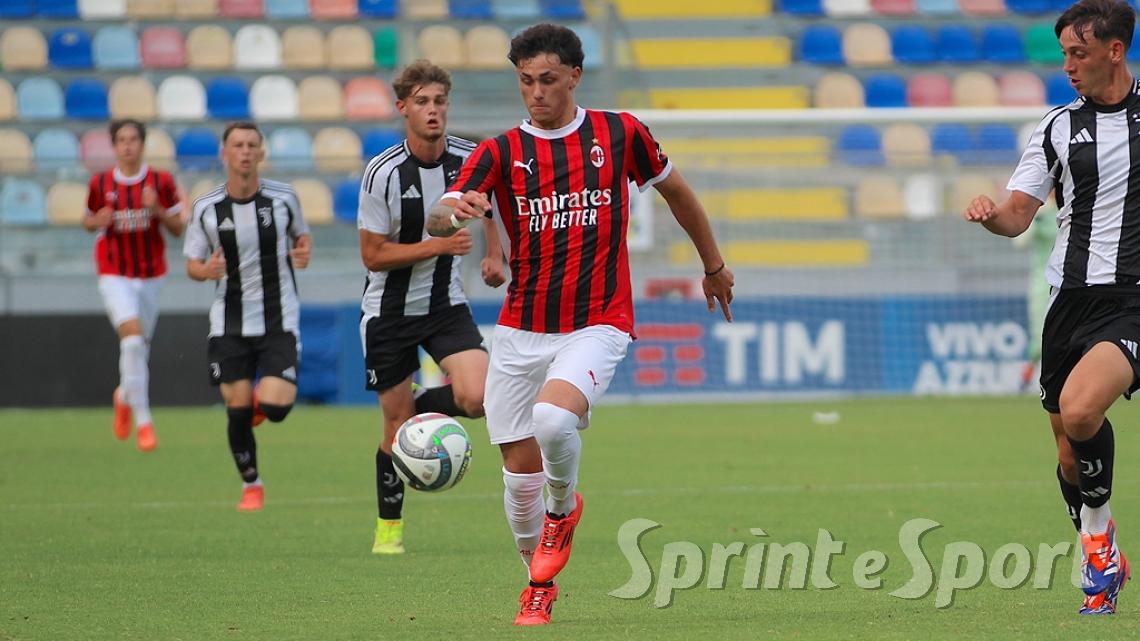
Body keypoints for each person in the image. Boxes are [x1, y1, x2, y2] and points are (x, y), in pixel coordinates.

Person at [427, 24, 735, 625]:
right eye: (525, 81)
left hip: (598, 320)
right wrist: (452, 213)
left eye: (547, 80)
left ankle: (563, 508)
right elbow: (441, 217)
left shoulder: (619, 133)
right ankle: (537, 586)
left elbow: (678, 194)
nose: (536, 92)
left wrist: (713, 266)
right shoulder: (499, 151)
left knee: (553, 420)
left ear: (574, 76)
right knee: (519, 484)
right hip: (521, 329)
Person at [963, 0, 1137, 615]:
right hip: (1069, 300)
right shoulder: (1056, 128)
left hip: (1132, 298)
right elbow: (1018, 216)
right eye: (1064, 53)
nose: (1068, 65)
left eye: (1078, 53)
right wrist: (991, 215)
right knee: (1067, 449)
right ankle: (1100, 544)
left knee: (1083, 409)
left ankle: (1097, 543)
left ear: (1115, 51)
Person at [357, 60, 505, 555]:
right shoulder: (382, 173)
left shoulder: (468, 158)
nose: (433, 110)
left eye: (440, 101)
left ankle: (410, 404)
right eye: (422, 101)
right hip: (388, 313)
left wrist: (494, 254)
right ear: (403, 108)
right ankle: (389, 530)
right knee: (395, 430)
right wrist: (438, 246)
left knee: (480, 398)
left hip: (446, 305)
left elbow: (489, 203)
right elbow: (373, 255)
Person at [183, 122, 313, 512]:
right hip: (229, 321)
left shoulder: (284, 198)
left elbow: (302, 236)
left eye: (251, 145)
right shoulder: (206, 208)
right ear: (224, 154)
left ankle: (260, 400)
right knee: (236, 409)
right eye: (237, 145)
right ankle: (252, 484)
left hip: (278, 318)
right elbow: (192, 263)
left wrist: (303, 251)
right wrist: (204, 270)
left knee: (276, 407)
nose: (244, 151)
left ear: (261, 153)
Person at [83, 119, 185, 452]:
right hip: (114, 270)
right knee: (131, 341)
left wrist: (156, 208)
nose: (127, 145)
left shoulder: (161, 181)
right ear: (114, 146)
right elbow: (88, 219)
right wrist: (97, 221)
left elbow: (178, 228)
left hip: (151, 273)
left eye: (133, 139)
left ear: (142, 144)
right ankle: (144, 422)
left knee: (140, 347)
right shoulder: (100, 183)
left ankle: (125, 394)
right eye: (122, 140)